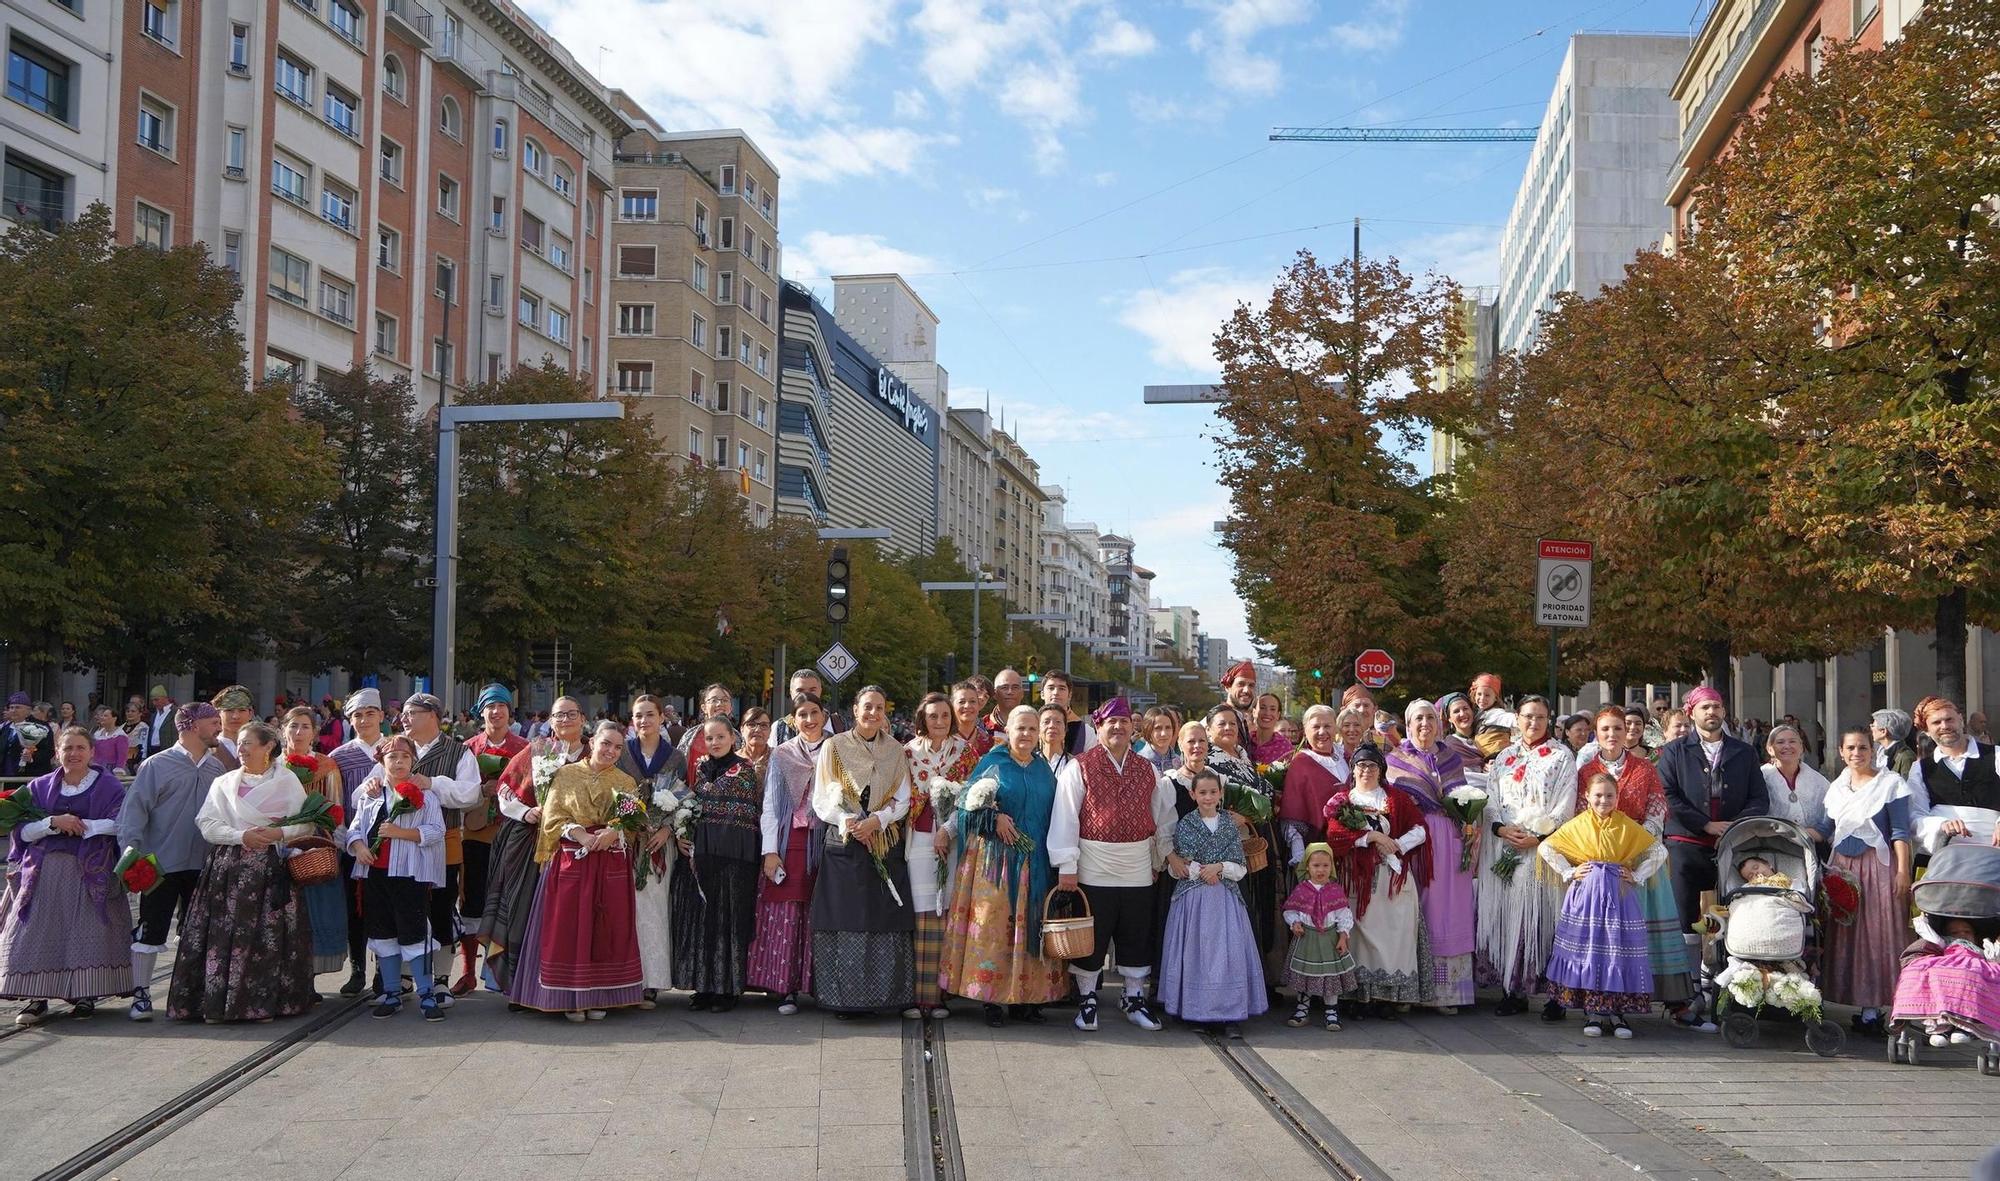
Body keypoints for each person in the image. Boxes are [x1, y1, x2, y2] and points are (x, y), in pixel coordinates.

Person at [168, 720, 319, 1022]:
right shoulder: (224, 783)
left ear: (268, 747)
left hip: (271, 870)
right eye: (238, 743)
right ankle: (215, 1003)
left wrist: (279, 834)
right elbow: (207, 823)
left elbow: (306, 823)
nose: (240, 749)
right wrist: (240, 836)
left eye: (248, 743)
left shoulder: (287, 781)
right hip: (228, 870)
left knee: (268, 937)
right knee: (224, 935)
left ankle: (265, 1003)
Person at [1049, 697, 1175, 1033]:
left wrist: (1157, 858)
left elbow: (1162, 816)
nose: (1118, 727)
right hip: (1093, 861)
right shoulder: (1080, 766)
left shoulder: (1147, 769)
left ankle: (1134, 997)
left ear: (1133, 728)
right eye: (1110, 722)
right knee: (1093, 931)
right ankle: (1088, 999)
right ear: (1098, 727)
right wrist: (1066, 865)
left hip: (1136, 862)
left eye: (1123, 721)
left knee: (1136, 930)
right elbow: (1065, 817)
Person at [939, 705, 1068, 1026]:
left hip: (1037, 861)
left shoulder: (1044, 771)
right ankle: (991, 998)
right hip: (996, 862)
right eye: (1019, 728)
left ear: (1039, 734)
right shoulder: (992, 763)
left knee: (1032, 928)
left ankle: (1028, 999)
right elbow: (966, 808)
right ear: (1007, 731)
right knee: (997, 929)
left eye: (1031, 729)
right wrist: (992, 817)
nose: (1025, 734)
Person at [507, 721, 644, 1021]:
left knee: (604, 928)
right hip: (572, 859)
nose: (611, 751)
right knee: (570, 928)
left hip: (609, 862)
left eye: (618, 747)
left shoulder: (626, 781)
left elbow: (632, 822)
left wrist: (614, 831)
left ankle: (599, 995)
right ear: (592, 741)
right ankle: (570, 996)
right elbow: (552, 818)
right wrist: (580, 834)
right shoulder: (566, 775)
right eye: (606, 743)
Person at [1576, 705, 1701, 1027]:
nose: (1613, 735)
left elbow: (1657, 809)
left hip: (1640, 858)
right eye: (1605, 729)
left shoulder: (1644, 768)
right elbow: (1579, 815)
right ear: (1597, 732)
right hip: (1602, 861)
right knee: (1607, 936)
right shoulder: (1586, 771)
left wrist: (1634, 844)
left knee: (1652, 931)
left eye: (1618, 729)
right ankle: (1604, 1002)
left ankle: (1674, 1003)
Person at [0, 727, 130, 1024]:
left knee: (85, 929)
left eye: (80, 748)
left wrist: (84, 825)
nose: (73, 754)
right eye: (67, 748)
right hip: (44, 870)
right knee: (35, 929)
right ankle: (36, 997)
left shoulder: (108, 785)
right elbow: (21, 830)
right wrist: (53, 822)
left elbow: (120, 822)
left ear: (92, 752)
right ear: (57, 752)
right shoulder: (39, 786)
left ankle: (85, 994)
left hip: (90, 869)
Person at [811, 685, 917, 1016]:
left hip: (883, 842)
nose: (873, 713)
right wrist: (849, 821)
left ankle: (884, 996)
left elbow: (904, 799)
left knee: (882, 917)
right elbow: (821, 799)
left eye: (879, 708)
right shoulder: (835, 747)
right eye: (867, 706)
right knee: (846, 918)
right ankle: (844, 998)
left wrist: (879, 820)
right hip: (844, 845)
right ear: (855, 710)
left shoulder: (895, 750)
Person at [1539, 772, 1669, 1039]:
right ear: (1586, 797)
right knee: (1590, 951)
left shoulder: (1625, 825)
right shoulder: (1578, 825)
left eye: (1610, 795)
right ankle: (1594, 1012)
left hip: (1618, 896)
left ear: (1618, 797)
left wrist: (1637, 875)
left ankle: (1617, 1013)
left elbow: (1658, 851)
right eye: (1598, 795)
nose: (1603, 800)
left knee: (1615, 949)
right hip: (1586, 897)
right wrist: (1569, 871)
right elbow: (1547, 848)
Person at [117, 702, 226, 1021]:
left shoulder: (215, 768)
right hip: (159, 865)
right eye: (213, 722)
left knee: (198, 933)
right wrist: (130, 852)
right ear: (191, 726)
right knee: (151, 930)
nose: (219, 727)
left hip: (203, 866)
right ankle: (140, 994)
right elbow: (134, 811)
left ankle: (190, 995)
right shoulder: (156, 765)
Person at [1477, 696, 1577, 1019]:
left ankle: (1554, 997)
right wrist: (1502, 830)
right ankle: (1512, 989)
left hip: (1543, 851)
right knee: (1510, 920)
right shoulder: (1504, 757)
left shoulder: (1562, 757)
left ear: (1550, 720)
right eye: (1528, 716)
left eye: (1541, 717)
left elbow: (1565, 803)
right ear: (1516, 718)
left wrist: (1539, 836)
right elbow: (1491, 800)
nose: (1533, 723)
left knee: (1544, 920)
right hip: (1507, 846)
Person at [479, 698, 588, 993]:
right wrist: (526, 812)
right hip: (530, 842)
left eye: (571, 714)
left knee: (571, 918)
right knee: (523, 912)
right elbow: (505, 789)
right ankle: (520, 985)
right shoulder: (538, 750)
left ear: (583, 718)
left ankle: (567, 984)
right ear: (550, 721)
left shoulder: (595, 754)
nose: (565, 719)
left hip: (580, 848)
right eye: (558, 715)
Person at [1817, 726, 1914, 1036]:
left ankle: (1876, 1009)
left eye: (1862, 748)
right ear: (1841, 753)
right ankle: (1856, 1002)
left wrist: (1903, 871)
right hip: (1843, 868)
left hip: (1877, 866)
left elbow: (1900, 832)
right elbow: (1823, 828)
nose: (1856, 753)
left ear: (1873, 751)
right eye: (1850, 748)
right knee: (1847, 935)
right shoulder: (1836, 787)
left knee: (1877, 933)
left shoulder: (1890, 784)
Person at [343, 733, 447, 1021]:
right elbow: (353, 828)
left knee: (414, 933)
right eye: (392, 757)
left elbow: (436, 832)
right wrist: (360, 846)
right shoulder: (371, 795)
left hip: (409, 875)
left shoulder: (425, 797)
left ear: (413, 761)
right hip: (375, 875)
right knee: (382, 933)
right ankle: (391, 992)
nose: (398, 762)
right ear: (382, 762)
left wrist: (401, 833)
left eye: (404, 757)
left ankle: (426, 993)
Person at [1323, 742, 1434, 1009]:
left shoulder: (1396, 799)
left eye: (1372, 765)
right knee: (1358, 938)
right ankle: (1359, 998)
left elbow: (1420, 829)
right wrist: (1371, 836)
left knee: (1394, 935)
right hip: (1357, 881)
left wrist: (1395, 844)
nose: (1366, 771)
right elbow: (1334, 836)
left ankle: (1388, 998)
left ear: (1381, 770)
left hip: (1391, 880)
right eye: (1361, 765)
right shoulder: (1343, 800)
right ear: (1353, 769)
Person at [386, 692, 481, 1002]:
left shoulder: (459, 752)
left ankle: (440, 978)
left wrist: (435, 783)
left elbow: (470, 795)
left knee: (441, 907)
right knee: (401, 907)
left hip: (444, 841)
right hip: (399, 843)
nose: (404, 718)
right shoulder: (396, 746)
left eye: (411, 712)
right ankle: (403, 976)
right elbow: (374, 783)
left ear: (432, 715)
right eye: (404, 713)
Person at [1158, 767, 1267, 1033]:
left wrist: (1218, 867)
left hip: (1225, 898)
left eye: (1213, 792)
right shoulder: (1186, 825)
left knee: (1227, 954)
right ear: (1192, 794)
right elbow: (1180, 866)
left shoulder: (1230, 825)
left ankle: (1230, 1014)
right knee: (1197, 952)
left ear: (1221, 794)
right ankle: (1197, 1012)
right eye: (1202, 792)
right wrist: (1201, 871)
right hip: (1193, 898)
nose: (1208, 797)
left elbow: (1239, 865)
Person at [1386, 699, 1477, 1012]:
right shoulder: (1395, 758)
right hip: (1413, 841)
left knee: (1448, 912)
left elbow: (1464, 797)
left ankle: (1446, 993)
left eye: (1430, 718)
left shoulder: (1451, 757)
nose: (1425, 724)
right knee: (1414, 908)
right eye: (1418, 719)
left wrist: (1467, 819)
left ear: (1440, 722)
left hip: (1449, 840)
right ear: (1408, 724)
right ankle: (1411, 989)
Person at [1656, 685, 1768, 936]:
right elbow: (1666, 794)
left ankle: (1727, 968)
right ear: (1691, 713)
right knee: (1687, 914)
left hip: (1732, 843)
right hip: (1686, 842)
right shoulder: (1675, 751)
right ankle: (1691, 972)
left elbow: (1759, 798)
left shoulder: (1744, 751)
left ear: (1724, 711)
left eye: (1716, 706)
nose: (1711, 712)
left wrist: (1733, 827)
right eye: (1704, 707)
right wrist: (1704, 824)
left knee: (1730, 914)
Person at [674, 717, 764, 1012]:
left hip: (736, 854)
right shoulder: (700, 768)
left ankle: (728, 988)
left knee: (731, 920)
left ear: (732, 738)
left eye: (720, 737)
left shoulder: (745, 769)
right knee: (706, 920)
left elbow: (749, 808)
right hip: (704, 853)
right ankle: (704, 986)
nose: (714, 742)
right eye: (709, 738)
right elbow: (693, 806)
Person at [751, 693, 829, 1013]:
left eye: (814, 713)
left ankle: (818, 984)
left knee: (820, 914)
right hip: (790, 841)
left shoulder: (837, 750)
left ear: (824, 715)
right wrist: (769, 851)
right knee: (786, 914)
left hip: (827, 842)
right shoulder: (782, 755)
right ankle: (785, 988)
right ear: (793, 720)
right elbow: (770, 804)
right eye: (802, 715)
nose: (809, 720)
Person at [906, 692, 979, 1018]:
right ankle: (920, 994)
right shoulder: (907, 752)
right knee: (923, 915)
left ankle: (943, 994)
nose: (939, 722)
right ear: (923, 718)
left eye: (944, 716)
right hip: (919, 839)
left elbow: (969, 798)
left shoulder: (964, 753)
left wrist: (947, 830)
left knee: (948, 912)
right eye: (933, 716)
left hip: (952, 839)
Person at [617, 694, 686, 1007]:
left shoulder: (675, 758)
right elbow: (612, 794)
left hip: (658, 844)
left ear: (662, 718)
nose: (643, 721)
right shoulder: (622, 754)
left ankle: (651, 980)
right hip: (625, 841)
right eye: (637, 716)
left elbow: (684, 799)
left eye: (649, 715)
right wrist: (628, 823)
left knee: (653, 911)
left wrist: (665, 828)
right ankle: (623, 976)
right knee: (625, 909)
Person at [458, 684, 526, 995]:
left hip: (513, 834)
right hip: (474, 834)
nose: (496, 712)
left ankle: (507, 972)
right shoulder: (468, 748)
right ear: (481, 711)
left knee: (510, 902)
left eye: (501, 706)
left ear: (510, 712)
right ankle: (468, 971)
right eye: (490, 706)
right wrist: (481, 790)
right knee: (471, 901)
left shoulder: (524, 748)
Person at [278, 707, 347, 978]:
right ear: (283, 730)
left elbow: (335, 809)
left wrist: (333, 844)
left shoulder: (326, 766)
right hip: (278, 843)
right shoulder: (273, 765)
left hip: (313, 847)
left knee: (314, 911)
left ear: (315, 733)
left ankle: (309, 977)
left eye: (305, 726)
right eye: (293, 726)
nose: (298, 732)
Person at [1907, 696, 2000, 853]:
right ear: (1927, 731)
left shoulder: (1996, 755)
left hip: (1993, 852)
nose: (1944, 726)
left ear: (1961, 720)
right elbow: (1915, 816)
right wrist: (1941, 824)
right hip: (1946, 857)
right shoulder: (1920, 769)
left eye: (1949, 719)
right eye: (1936, 723)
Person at [1281, 844, 1356, 1031]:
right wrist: (1295, 923)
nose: (1320, 870)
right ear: (1307, 866)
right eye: (1316, 866)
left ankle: (1331, 1012)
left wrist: (1343, 935)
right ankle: (1302, 1009)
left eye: (1325, 865)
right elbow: (1290, 910)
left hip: (1329, 939)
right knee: (1305, 976)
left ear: (1331, 866)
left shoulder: (1334, 890)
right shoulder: (1302, 890)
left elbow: (1344, 914)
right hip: (1307, 938)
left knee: (1330, 977)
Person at [1279, 705, 1349, 869]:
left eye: (1327, 726)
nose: (1322, 732)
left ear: (1336, 728)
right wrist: (1300, 854)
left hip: (1351, 848)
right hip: (1317, 853)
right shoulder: (1301, 762)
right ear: (1305, 730)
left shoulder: (1345, 757)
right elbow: (1293, 812)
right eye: (1316, 727)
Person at [1762, 723, 1832, 831]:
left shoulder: (1818, 781)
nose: (1787, 746)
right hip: (1771, 844)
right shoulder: (1761, 777)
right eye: (1780, 742)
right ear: (1770, 749)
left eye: (1792, 741)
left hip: (1812, 843)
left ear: (1801, 747)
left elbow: (1830, 816)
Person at [676, 683, 736, 764]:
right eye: (714, 700)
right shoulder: (689, 737)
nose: (719, 704)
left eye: (725, 700)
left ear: (731, 707)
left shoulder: (739, 739)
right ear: (704, 708)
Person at [1041, 671, 1098, 754]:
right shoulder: (1031, 726)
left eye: (1061, 688)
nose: (1056, 692)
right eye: (1051, 688)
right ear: (1042, 694)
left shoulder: (1085, 732)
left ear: (1070, 695)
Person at [1, 692, 53, 780]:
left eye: (18, 707)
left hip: (29, 776)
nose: (14, 710)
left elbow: (49, 751)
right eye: (11, 707)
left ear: (28, 710)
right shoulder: (5, 728)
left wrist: (32, 757)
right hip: (5, 776)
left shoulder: (40, 727)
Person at [770, 670, 826, 744]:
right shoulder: (779, 728)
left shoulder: (839, 725)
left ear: (820, 691)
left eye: (812, 690)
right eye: (800, 691)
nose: (806, 695)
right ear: (791, 693)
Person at [1435, 692, 1486, 773]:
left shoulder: (1487, 735)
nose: (1462, 714)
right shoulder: (1450, 746)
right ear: (1449, 718)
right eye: (1456, 711)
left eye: (1465, 708)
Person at [1468, 674, 1515, 761]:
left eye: (1487, 695)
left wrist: (1525, 719)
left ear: (1495, 698)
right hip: (1487, 756)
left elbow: (1511, 719)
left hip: (1498, 755)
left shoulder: (1496, 713)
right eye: (1479, 694)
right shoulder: (1478, 713)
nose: (1482, 698)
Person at [208, 686, 256, 770]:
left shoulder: (262, 746)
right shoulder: (207, 748)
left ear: (251, 713)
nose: (235, 716)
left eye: (242, 710)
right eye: (229, 710)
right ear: (218, 713)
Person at [951, 680, 995, 759]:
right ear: (952, 705)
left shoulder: (990, 743)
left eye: (972, 701)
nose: (967, 706)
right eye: (962, 702)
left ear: (978, 705)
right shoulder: (942, 739)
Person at [1872, 708, 1920, 779]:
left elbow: (1908, 786)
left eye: (1873, 726)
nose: (1871, 729)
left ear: (1883, 731)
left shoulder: (1906, 757)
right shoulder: (1880, 752)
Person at [1249, 693, 1294, 766]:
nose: (1267, 713)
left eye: (1272, 709)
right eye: (1262, 708)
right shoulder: (1244, 741)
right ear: (1254, 712)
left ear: (1278, 715)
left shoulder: (1285, 748)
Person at [88, 705, 130, 778]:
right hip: (96, 768)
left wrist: (119, 770)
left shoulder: (119, 735)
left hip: (111, 770)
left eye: (105, 716)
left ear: (114, 718)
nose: (102, 718)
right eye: (102, 716)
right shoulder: (98, 734)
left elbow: (122, 756)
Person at [985, 668, 1028, 736]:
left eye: (1015, 687)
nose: (1010, 692)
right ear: (994, 693)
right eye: (1004, 687)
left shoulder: (1033, 724)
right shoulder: (982, 727)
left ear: (1022, 693)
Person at [1138, 708, 1180, 773]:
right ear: (1148, 730)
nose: (1164, 733)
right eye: (1158, 728)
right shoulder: (1139, 762)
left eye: (1168, 727)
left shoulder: (1180, 762)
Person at [1038, 704, 1074, 777]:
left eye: (1058, 722)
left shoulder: (1075, 764)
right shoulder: (1029, 762)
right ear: (1038, 730)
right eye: (1046, 722)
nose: (1052, 725)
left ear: (1065, 730)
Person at [142, 686, 176, 761]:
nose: (154, 703)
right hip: (153, 752)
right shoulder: (154, 715)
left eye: (156, 700)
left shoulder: (175, 712)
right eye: (152, 700)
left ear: (165, 698)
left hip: (167, 752)